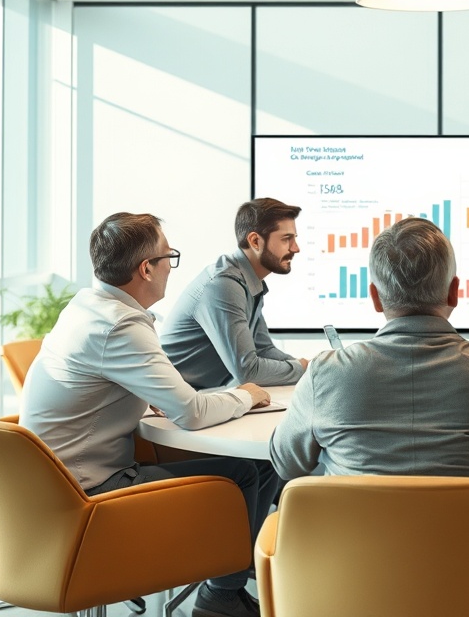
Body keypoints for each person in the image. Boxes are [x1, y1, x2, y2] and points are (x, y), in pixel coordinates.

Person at [20, 213, 278, 617]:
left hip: (44, 483)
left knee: (253, 468)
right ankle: (222, 595)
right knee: (248, 471)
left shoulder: (88, 307)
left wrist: (144, 395)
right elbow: (191, 413)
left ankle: (227, 574)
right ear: (146, 269)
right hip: (87, 491)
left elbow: (98, 385)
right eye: (168, 258)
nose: (170, 268)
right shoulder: (120, 327)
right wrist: (244, 396)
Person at [269, 217, 469, 481]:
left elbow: (286, 465)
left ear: (375, 298)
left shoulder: (325, 373)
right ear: (454, 292)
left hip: (355, 553)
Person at [161, 199, 308, 389]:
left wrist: (309, 368)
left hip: (207, 395)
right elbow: (247, 371)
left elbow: (263, 350)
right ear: (255, 241)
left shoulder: (249, 281)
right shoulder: (224, 285)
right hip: (176, 403)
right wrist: (302, 368)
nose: (296, 248)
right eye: (286, 239)